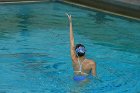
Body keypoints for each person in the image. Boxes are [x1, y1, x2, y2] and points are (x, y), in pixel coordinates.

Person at [66, 13, 96, 81]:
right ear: (85, 51)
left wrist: (70, 22)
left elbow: (71, 40)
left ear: (76, 52)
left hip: (75, 78)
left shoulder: (74, 59)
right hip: (85, 79)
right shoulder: (92, 63)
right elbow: (94, 77)